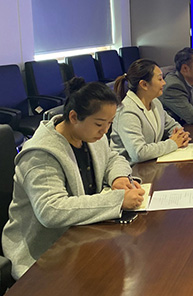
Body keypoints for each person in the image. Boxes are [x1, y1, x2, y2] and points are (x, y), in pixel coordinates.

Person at [1, 78, 145, 280]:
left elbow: (112, 158)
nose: (105, 131)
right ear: (74, 117)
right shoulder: (40, 154)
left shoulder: (90, 135)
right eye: (99, 124)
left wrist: (118, 177)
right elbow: (51, 211)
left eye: (110, 123)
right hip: (43, 253)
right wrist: (118, 200)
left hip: (83, 234)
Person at [111, 59, 191, 165]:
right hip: (131, 170)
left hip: (150, 164)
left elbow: (172, 125)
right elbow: (138, 153)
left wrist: (181, 135)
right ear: (144, 84)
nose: (164, 83)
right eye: (160, 79)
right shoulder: (127, 112)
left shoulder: (155, 102)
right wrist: (173, 143)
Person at [159, 47, 193, 124]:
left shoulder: (192, 81)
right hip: (174, 129)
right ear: (185, 68)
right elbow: (192, 117)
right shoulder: (173, 86)